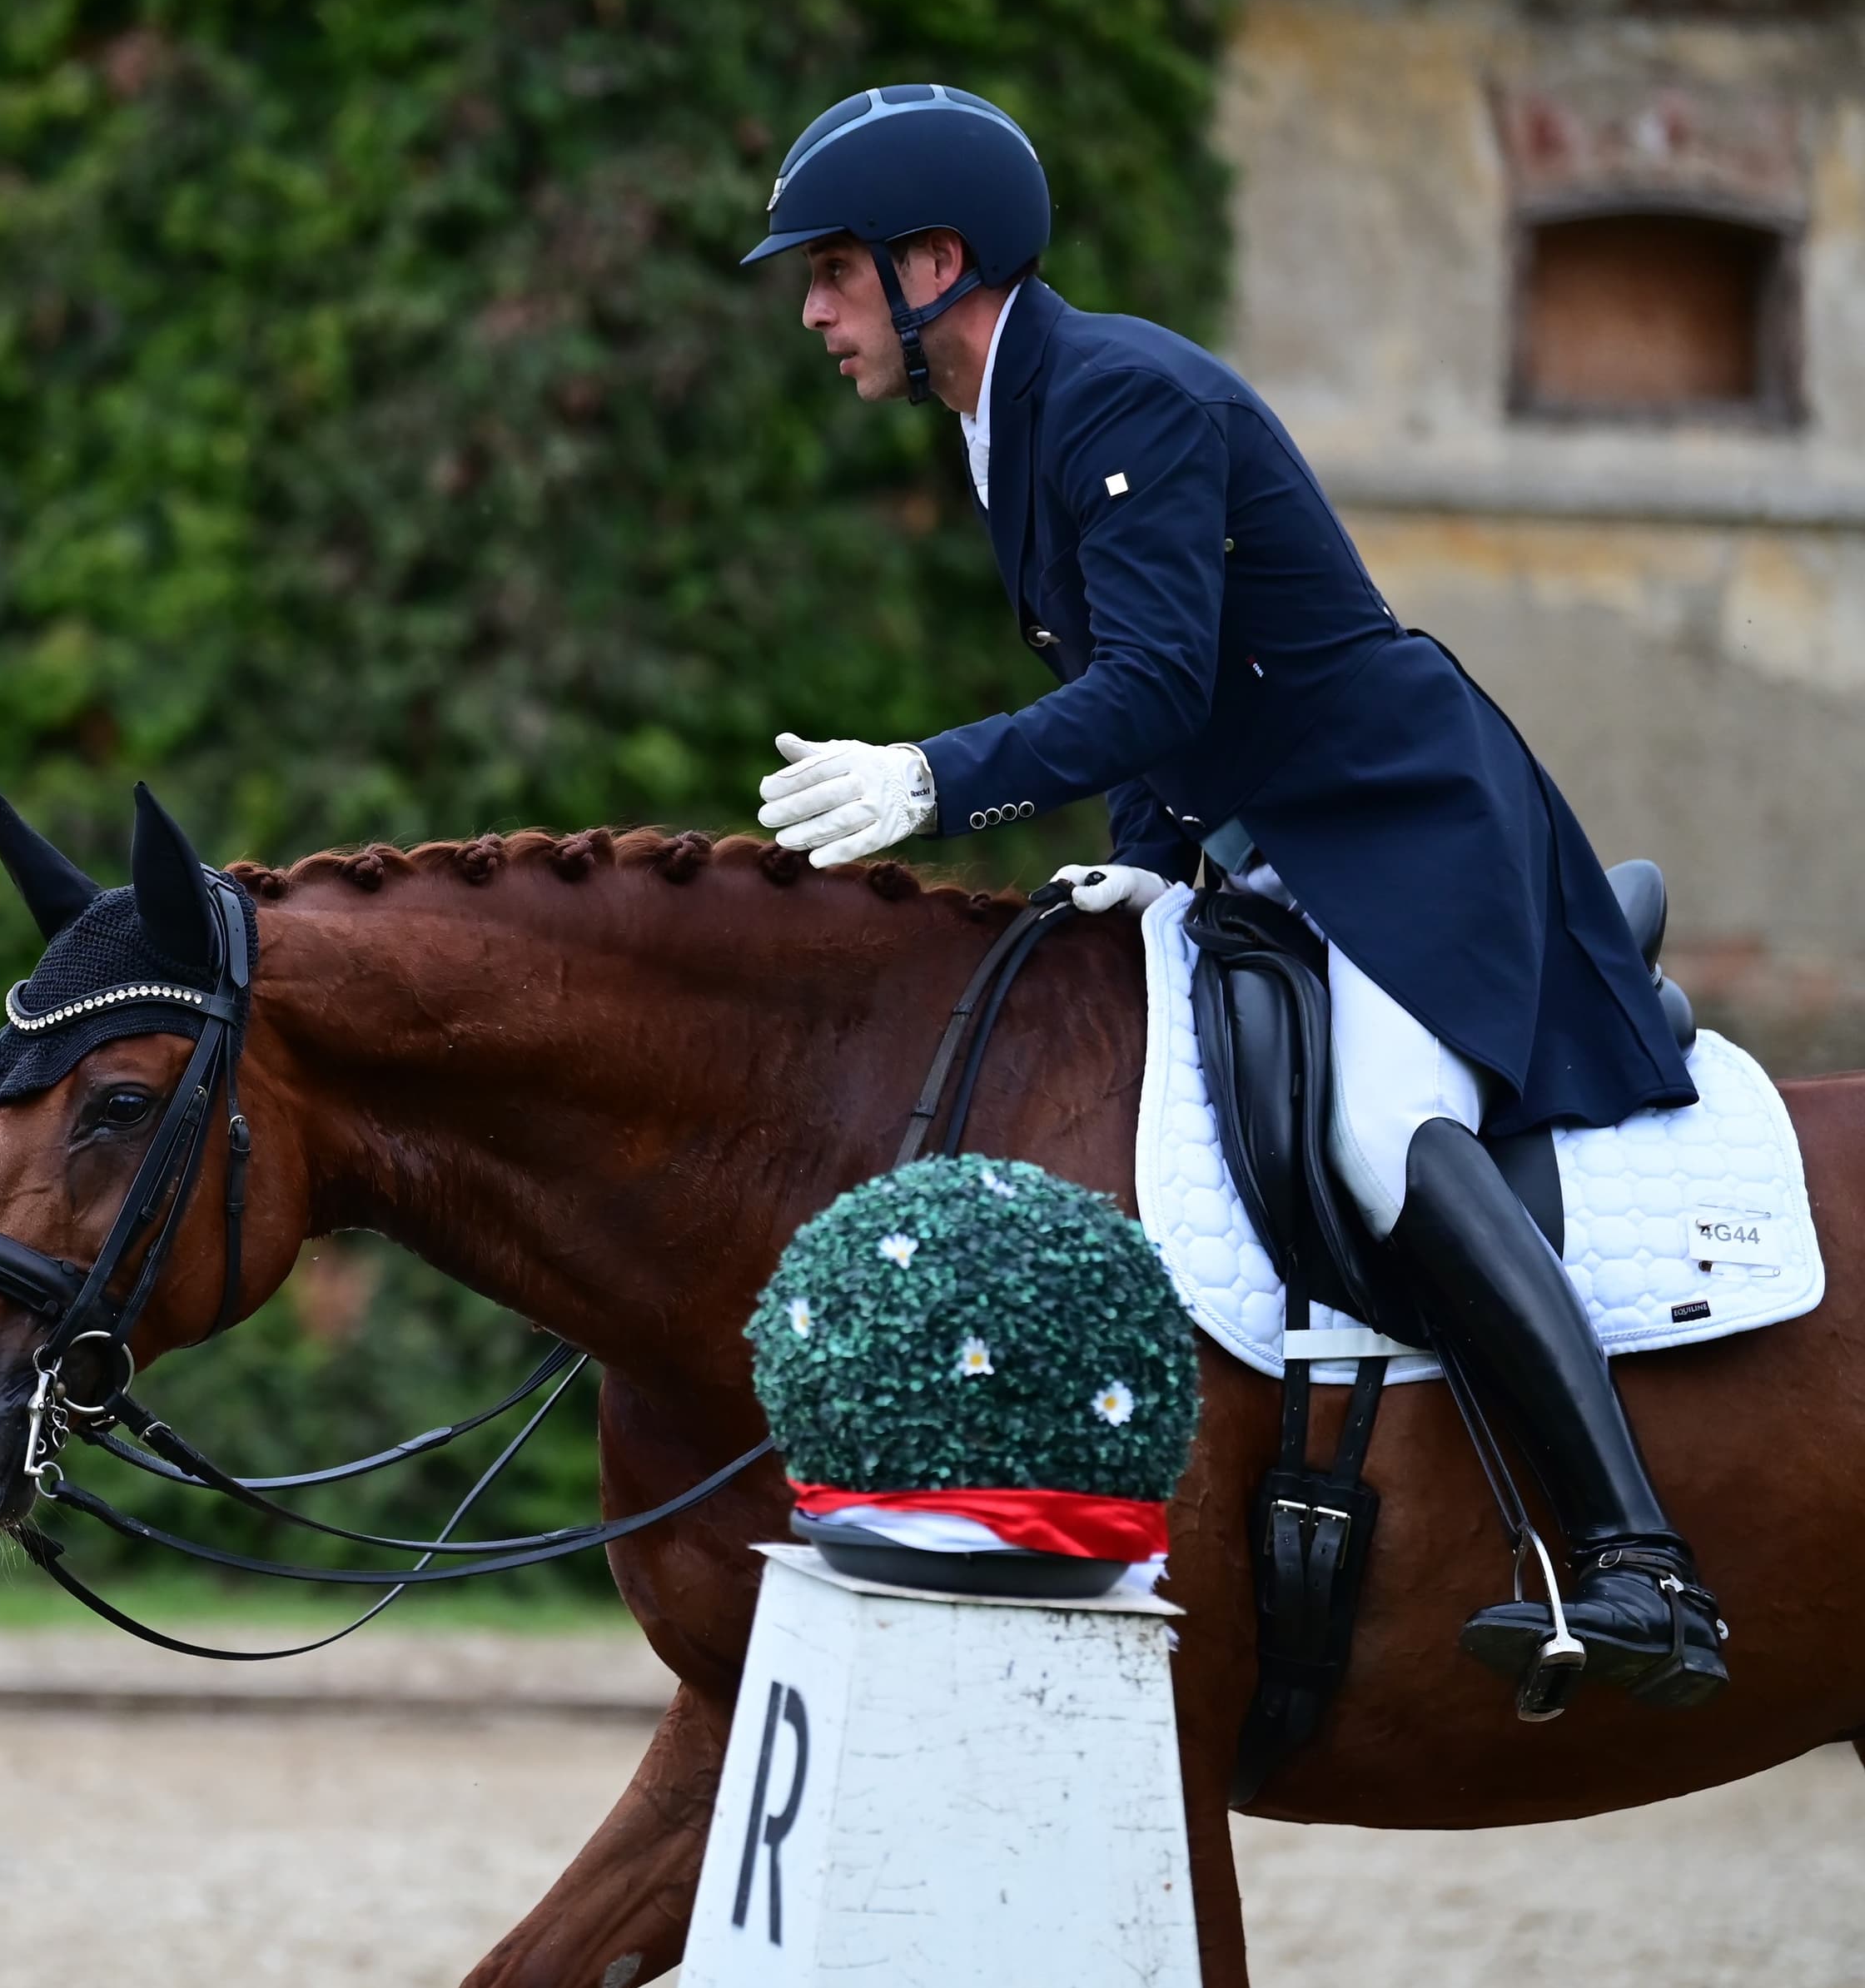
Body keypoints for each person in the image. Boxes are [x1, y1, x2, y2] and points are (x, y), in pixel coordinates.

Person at [739, 84, 1727, 1710]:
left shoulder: (1118, 398)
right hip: (1272, 825)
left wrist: (933, 775)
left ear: (935, 262)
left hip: (1398, 819)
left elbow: (1154, 678)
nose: (812, 308)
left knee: (1382, 1139)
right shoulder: (1011, 422)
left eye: (834, 271)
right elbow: (1152, 694)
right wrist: (1144, 854)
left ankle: (1641, 1567)